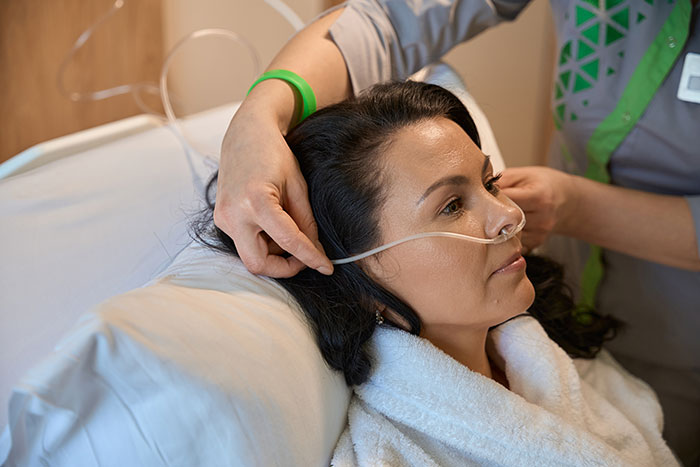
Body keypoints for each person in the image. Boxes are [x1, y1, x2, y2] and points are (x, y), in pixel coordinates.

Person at [214, 1, 700, 463]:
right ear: (358, 273)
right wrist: (258, 117)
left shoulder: (572, 370)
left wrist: (578, 206)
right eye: (451, 205)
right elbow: (386, 17)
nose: (510, 215)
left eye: (491, 182)